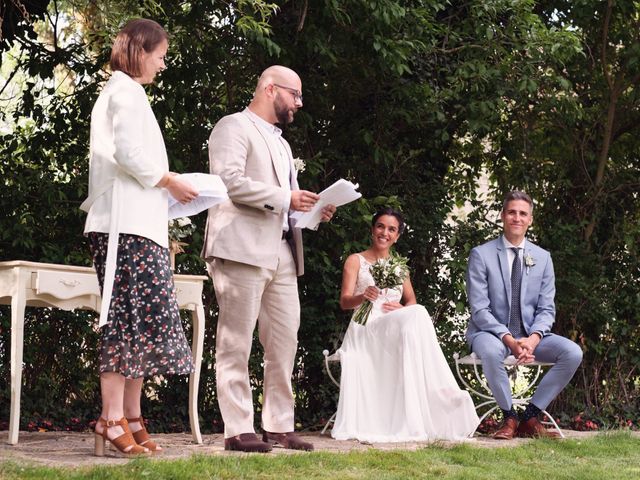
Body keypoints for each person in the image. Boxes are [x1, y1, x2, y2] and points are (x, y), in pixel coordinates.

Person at [80, 18, 199, 457]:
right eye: (161, 55)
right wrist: (171, 181)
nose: (163, 64)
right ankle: (110, 419)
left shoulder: (132, 93)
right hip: (122, 226)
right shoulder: (122, 92)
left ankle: (132, 417)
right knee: (124, 320)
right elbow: (128, 154)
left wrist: (169, 191)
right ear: (140, 50)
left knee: (143, 327)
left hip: (140, 226)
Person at [202, 65, 335, 452]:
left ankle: (278, 424)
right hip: (240, 248)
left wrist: (313, 212)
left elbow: (286, 208)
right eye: (295, 94)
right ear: (269, 88)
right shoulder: (233, 126)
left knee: (284, 340)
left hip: (282, 253)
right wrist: (285, 199)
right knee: (236, 340)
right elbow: (227, 181)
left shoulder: (283, 143)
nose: (299, 102)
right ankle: (237, 428)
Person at [331, 208, 480, 442]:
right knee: (418, 314)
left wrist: (403, 308)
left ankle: (438, 392)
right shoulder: (355, 260)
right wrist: (364, 296)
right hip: (366, 326)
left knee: (417, 312)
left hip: (394, 324)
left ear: (397, 236)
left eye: (391, 229)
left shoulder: (400, 266)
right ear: (372, 229)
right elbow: (344, 302)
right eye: (380, 226)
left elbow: (411, 301)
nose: (385, 233)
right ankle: (441, 389)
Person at [466, 190, 583, 439]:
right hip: (491, 333)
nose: (516, 218)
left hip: (530, 336)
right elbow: (479, 309)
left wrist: (532, 339)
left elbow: (546, 309)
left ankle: (530, 417)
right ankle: (509, 417)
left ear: (530, 219)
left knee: (572, 352)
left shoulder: (542, 257)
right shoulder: (481, 254)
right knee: (489, 351)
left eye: (522, 213)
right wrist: (509, 339)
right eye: (511, 212)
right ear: (502, 216)